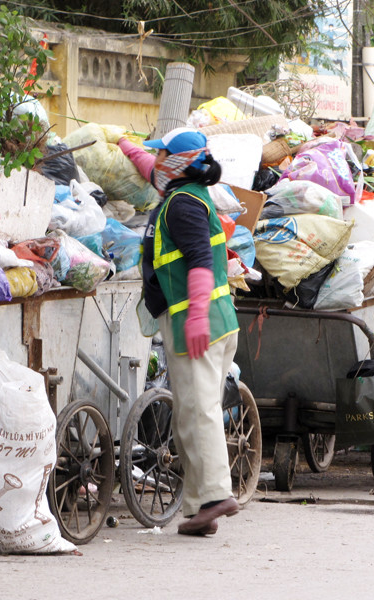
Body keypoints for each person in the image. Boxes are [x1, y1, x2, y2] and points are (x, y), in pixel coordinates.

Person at [135, 127, 240, 536]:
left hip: (199, 324)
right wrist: (125, 146)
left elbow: (199, 261)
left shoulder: (181, 206)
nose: (156, 162)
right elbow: (148, 167)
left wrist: (195, 316)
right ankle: (201, 510)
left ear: (178, 163)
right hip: (212, 320)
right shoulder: (186, 193)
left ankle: (215, 496)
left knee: (199, 413)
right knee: (190, 414)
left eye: (163, 156)